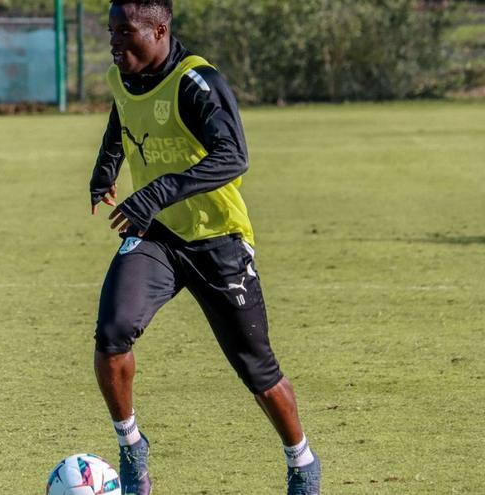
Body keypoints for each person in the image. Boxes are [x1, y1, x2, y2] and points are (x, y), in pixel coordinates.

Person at [89, 1, 321, 494]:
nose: (114, 41)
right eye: (111, 30)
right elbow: (123, 115)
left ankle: (301, 462)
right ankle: (132, 449)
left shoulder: (198, 82)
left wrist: (153, 191)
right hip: (158, 237)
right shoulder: (122, 75)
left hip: (219, 242)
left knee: (256, 367)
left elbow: (233, 156)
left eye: (125, 31)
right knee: (112, 335)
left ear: (159, 30)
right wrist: (106, 167)